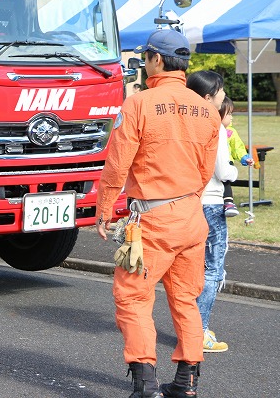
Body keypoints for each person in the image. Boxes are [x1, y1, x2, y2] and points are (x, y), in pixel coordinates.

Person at [96, 29, 220, 398]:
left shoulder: (139, 104)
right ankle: (186, 382)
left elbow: (117, 165)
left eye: (146, 56)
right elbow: (205, 171)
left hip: (153, 221)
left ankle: (146, 384)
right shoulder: (208, 110)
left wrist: (104, 211)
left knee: (133, 297)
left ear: (156, 60)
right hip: (192, 218)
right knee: (186, 300)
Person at [186, 73, 239, 356]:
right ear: (207, 98)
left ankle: (193, 327)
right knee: (212, 268)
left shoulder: (183, 121)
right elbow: (222, 170)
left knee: (191, 269)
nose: (223, 98)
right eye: (220, 93)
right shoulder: (214, 126)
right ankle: (199, 331)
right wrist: (235, 171)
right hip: (211, 202)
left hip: (187, 202)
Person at [218, 96, 254, 218]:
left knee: (226, 182)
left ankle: (228, 202)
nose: (231, 117)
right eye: (228, 114)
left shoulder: (231, 132)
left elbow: (238, 147)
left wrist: (244, 157)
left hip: (227, 162)